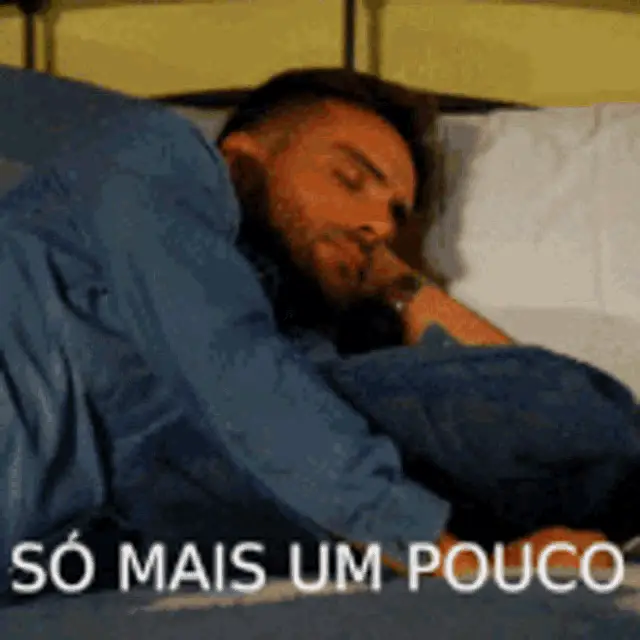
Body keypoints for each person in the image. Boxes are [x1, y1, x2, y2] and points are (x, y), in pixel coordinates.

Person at [0, 66, 637, 595]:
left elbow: (535, 412)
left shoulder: (301, 360)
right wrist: (455, 564)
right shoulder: (155, 155)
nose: (377, 224)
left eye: (395, 216)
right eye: (349, 178)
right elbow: (234, 367)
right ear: (242, 159)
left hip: (60, 545)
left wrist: (400, 284)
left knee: (570, 422)